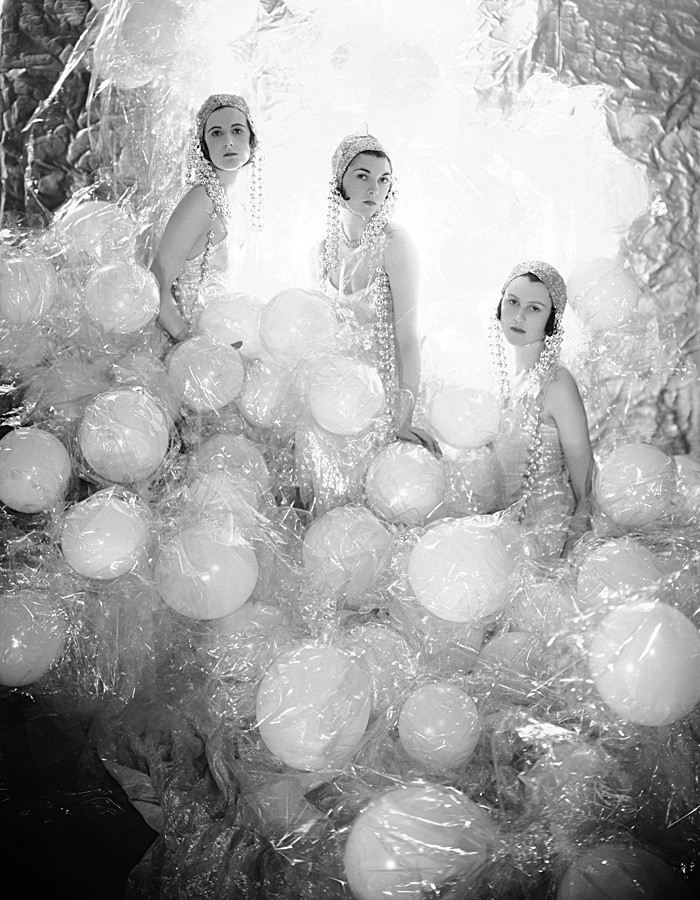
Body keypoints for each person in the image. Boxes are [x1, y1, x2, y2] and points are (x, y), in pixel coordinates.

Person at [296, 130, 440, 513]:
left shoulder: (396, 244)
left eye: (383, 179)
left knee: (381, 509)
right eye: (362, 175)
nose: (374, 188)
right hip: (339, 399)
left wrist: (402, 418)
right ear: (338, 182)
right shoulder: (320, 252)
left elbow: (407, 338)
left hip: (389, 394)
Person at [490, 260, 594, 559]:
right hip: (507, 541)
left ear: (552, 321)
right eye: (512, 302)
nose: (519, 316)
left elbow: (586, 489)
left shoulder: (557, 384)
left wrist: (565, 560)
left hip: (549, 546)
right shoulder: (509, 384)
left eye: (534, 308)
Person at [149, 93, 263, 344]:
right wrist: (190, 344)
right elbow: (155, 286)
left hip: (225, 344)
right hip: (189, 350)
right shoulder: (200, 201)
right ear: (204, 146)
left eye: (236, 130)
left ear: (252, 140)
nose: (228, 142)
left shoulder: (239, 207)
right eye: (216, 133)